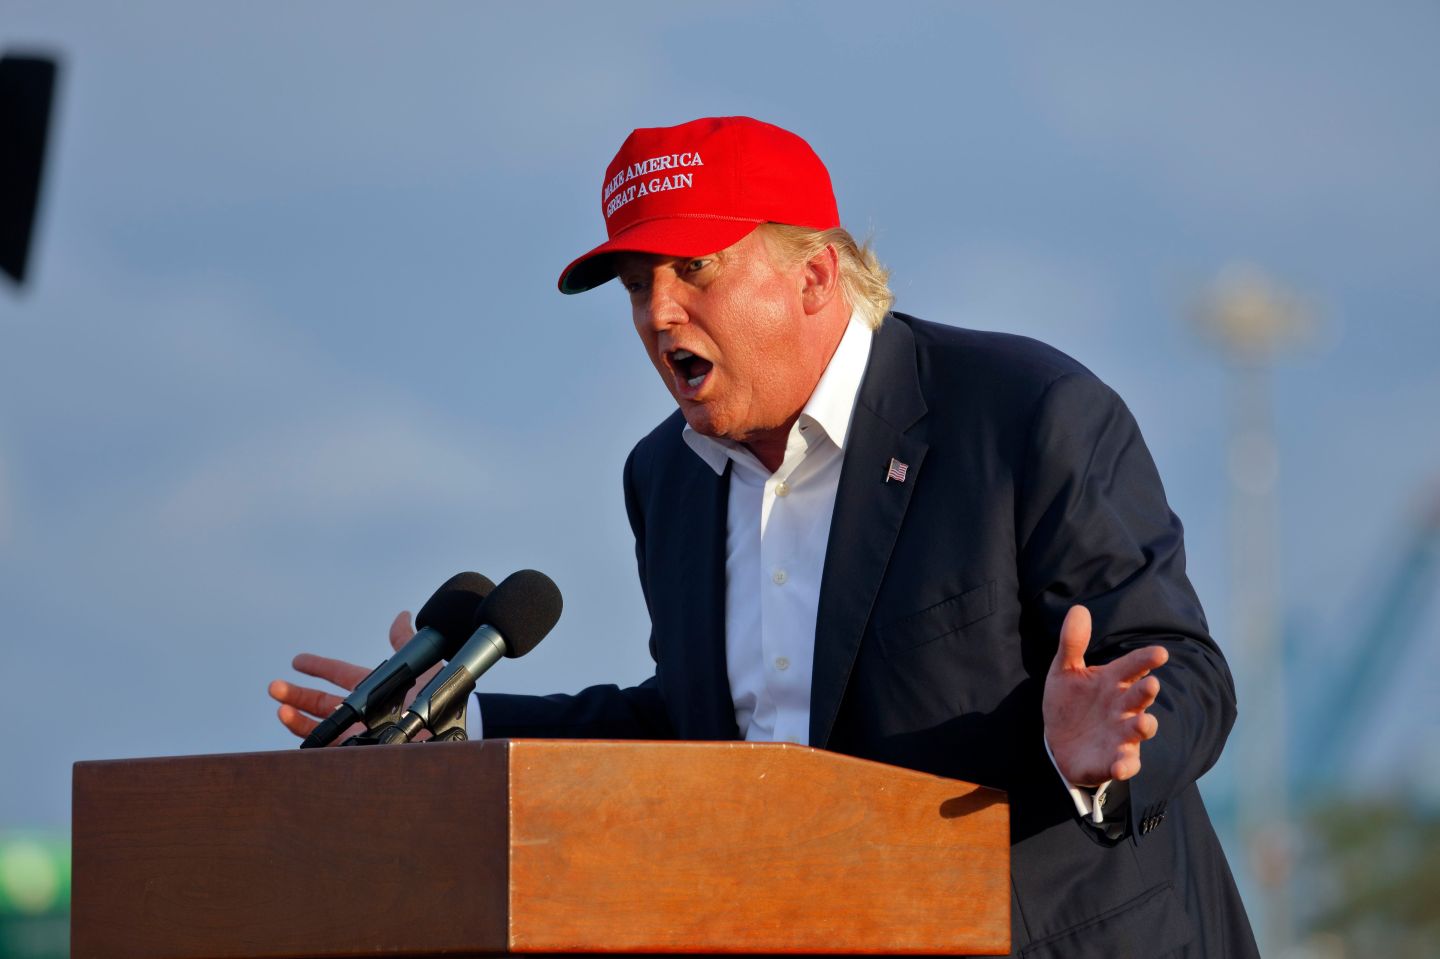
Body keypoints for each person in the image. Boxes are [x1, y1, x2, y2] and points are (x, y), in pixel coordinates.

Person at [271, 116, 1258, 957]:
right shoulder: (666, 477)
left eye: (693, 269)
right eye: (635, 285)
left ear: (816, 277)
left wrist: (1092, 752)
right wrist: (461, 731)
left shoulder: (1028, 414)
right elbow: (714, 727)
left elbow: (1190, 677)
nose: (660, 312)